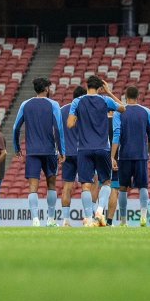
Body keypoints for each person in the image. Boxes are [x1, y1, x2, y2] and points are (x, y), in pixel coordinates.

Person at [67, 76, 126, 227]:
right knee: (106, 182)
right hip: (102, 148)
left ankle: (88, 218)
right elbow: (123, 108)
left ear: (87, 85)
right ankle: (100, 211)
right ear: (100, 88)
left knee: (86, 185)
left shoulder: (77, 102)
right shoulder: (105, 100)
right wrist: (109, 92)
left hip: (84, 149)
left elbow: (70, 124)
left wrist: (81, 118)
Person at [12, 77, 64, 227]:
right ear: (47, 89)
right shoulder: (53, 104)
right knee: (51, 184)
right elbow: (58, 129)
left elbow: (16, 128)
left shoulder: (25, 104)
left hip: (33, 151)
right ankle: (51, 219)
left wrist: (17, 148)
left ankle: (35, 220)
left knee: (32, 186)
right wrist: (62, 150)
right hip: (49, 151)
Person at [111, 86, 150, 227]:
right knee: (143, 186)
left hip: (124, 155)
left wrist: (113, 156)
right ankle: (143, 217)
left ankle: (123, 221)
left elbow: (116, 135)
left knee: (122, 187)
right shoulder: (146, 111)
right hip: (141, 155)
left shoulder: (120, 112)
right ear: (138, 96)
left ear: (125, 96)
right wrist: (148, 151)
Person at [58, 86, 86, 227]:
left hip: (67, 153)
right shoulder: (86, 111)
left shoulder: (62, 110)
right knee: (87, 185)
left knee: (67, 187)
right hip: (83, 152)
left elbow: (56, 132)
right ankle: (89, 218)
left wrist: (59, 151)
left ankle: (65, 221)